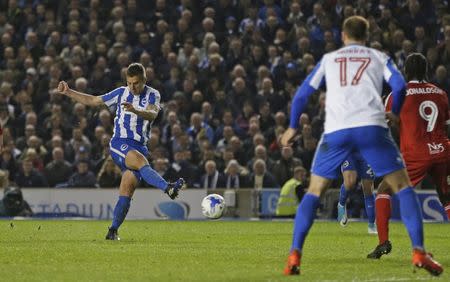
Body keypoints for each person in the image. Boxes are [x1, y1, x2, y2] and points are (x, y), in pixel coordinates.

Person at [280, 16, 442, 276]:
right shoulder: (378, 57)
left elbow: (301, 94)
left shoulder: (329, 60)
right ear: (366, 36)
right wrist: (396, 112)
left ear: (343, 36)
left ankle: (294, 255)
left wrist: (291, 127)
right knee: (402, 187)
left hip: (336, 131)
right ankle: (419, 251)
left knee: (314, 191)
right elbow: (399, 86)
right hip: (371, 128)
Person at [57, 62, 185, 240]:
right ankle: (168, 188)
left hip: (140, 147)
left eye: (136, 83)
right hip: (119, 144)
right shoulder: (120, 92)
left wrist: (136, 110)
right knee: (141, 162)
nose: (132, 87)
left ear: (144, 80)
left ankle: (112, 231)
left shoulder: (153, 94)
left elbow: (152, 114)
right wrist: (68, 92)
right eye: (130, 83)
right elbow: (94, 100)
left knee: (127, 188)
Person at [367, 53, 450, 259]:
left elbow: (385, 127)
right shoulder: (440, 93)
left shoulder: (397, 95)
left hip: (415, 153)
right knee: (446, 196)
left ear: (406, 71)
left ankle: (383, 242)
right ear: (426, 70)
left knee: (384, 189)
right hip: (443, 150)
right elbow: (446, 127)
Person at [337, 152, 377, 234]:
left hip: (367, 152)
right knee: (349, 183)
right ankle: (341, 204)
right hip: (349, 151)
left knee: (368, 189)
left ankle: (371, 224)